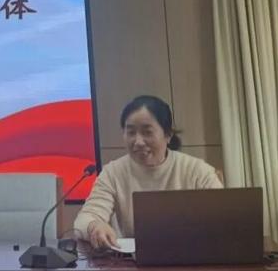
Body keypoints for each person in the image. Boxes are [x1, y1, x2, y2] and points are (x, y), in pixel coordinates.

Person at [73, 95, 222, 250]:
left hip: (192, 256)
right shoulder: (113, 172)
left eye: (147, 132)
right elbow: (84, 219)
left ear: (168, 135)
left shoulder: (197, 171)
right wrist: (95, 226)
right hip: (134, 261)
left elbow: (222, 217)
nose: (138, 142)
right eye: (131, 132)